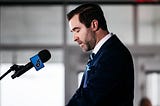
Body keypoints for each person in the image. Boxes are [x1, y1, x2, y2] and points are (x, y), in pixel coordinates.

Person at [66, 3, 134, 106]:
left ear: (94, 25)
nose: (74, 38)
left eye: (77, 30)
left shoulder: (113, 54)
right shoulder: (101, 53)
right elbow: (81, 93)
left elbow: (90, 98)